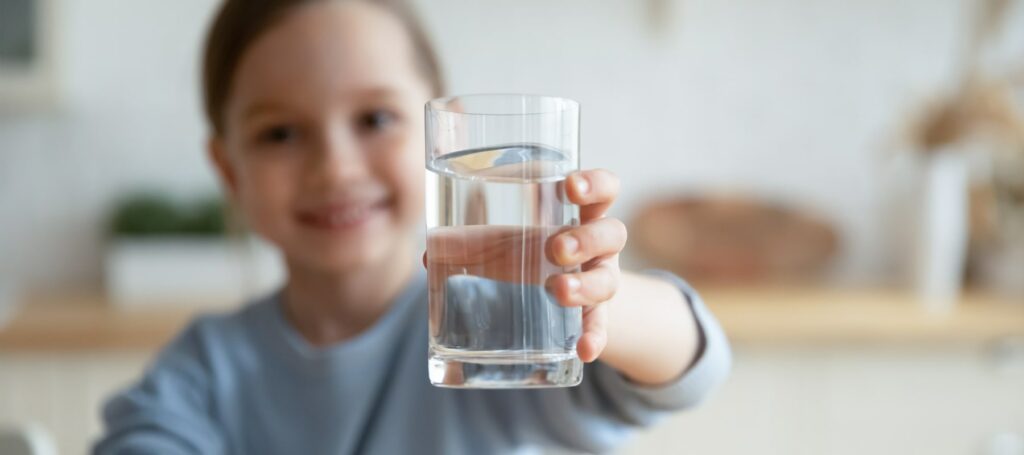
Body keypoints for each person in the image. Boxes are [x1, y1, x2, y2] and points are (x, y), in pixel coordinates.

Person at [94, 0, 731, 453]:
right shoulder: (204, 370)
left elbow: (689, 367)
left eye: (374, 119)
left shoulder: (503, 324)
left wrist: (600, 301)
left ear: (437, 133)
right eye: (280, 133)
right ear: (228, 170)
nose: (335, 169)